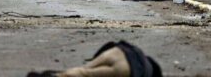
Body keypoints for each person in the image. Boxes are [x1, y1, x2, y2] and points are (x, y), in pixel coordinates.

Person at [27, 41, 162, 77]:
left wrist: (93, 60)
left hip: (117, 51)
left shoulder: (139, 53)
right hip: (127, 69)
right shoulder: (148, 71)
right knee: (86, 74)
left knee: (84, 70)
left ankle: (56, 75)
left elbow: (110, 45)